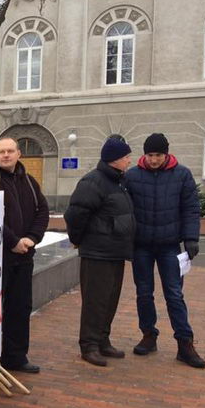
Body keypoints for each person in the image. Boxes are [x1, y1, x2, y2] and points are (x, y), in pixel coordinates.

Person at [124, 133, 205, 368]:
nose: (153, 160)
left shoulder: (182, 174)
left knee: (174, 294)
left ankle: (185, 343)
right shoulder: (132, 176)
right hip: (142, 246)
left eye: (158, 155)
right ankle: (148, 335)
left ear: (166, 154)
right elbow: (124, 209)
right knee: (144, 293)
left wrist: (191, 238)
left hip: (170, 246)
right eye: (150, 155)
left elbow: (191, 208)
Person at [0, 137, 49, 373]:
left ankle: (16, 357)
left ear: (18, 154)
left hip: (23, 258)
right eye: (1, 151)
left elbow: (42, 210)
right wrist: (12, 241)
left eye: (10, 151)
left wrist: (32, 237)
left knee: (20, 308)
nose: (6, 155)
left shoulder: (29, 181)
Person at [64, 135, 135, 367]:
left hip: (114, 251)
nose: (129, 160)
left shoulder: (119, 181)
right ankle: (89, 345)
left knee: (110, 300)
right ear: (115, 159)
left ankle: (103, 340)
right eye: (126, 157)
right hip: (97, 253)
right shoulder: (93, 182)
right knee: (95, 301)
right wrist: (77, 240)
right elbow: (75, 214)